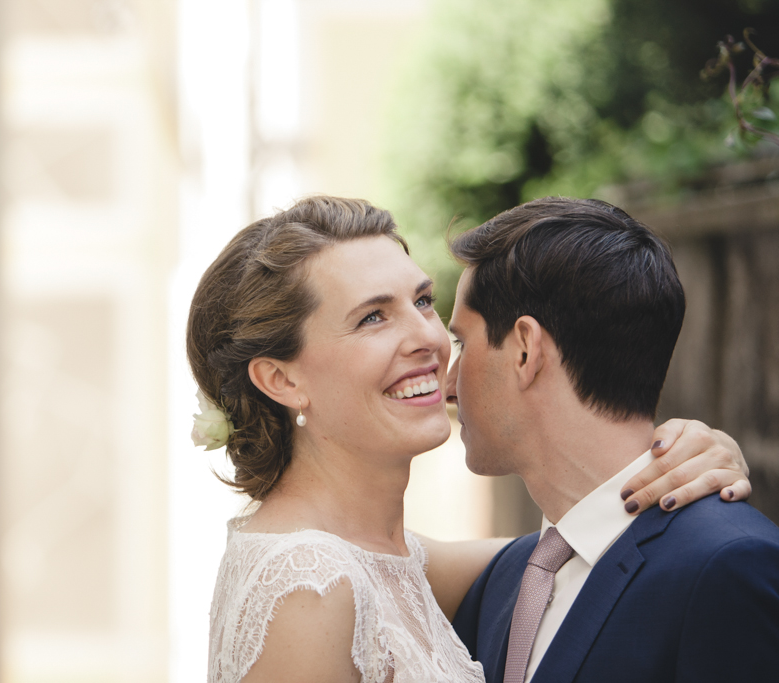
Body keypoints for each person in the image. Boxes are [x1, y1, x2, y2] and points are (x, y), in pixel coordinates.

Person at [186, 196, 751, 683]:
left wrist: (684, 454)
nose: (429, 338)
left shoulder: (394, 559)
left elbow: (582, 544)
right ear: (283, 380)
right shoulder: (306, 584)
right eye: (372, 318)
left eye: (424, 301)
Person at [446, 197, 779, 682]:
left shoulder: (729, 567)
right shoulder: (504, 581)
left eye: (462, 343)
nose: (449, 384)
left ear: (524, 349)